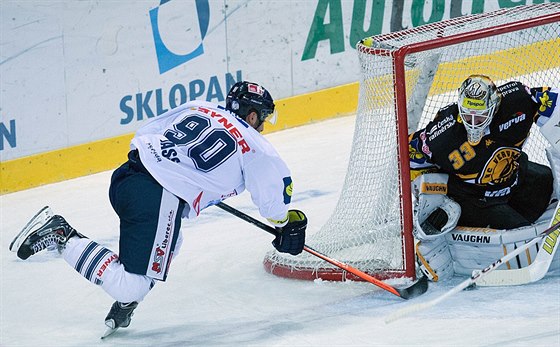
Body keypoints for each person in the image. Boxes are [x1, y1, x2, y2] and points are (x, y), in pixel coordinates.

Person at [9, 81, 307, 333]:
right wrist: (286, 225)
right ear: (253, 116)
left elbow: (147, 132)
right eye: (264, 118)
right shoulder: (256, 145)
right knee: (131, 283)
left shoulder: (198, 106)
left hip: (126, 177)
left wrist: (185, 177)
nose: (264, 125)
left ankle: (127, 303)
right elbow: (272, 203)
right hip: (157, 197)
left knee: (171, 242)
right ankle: (64, 235)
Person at [408, 74, 559, 281]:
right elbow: (411, 155)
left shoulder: (517, 101)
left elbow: (548, 100)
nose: (473, 124)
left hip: (515, 176)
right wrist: (430, 199)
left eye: (479, 117)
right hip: (478, 198)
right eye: (467, 116)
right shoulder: (444, 135)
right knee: (523, 234)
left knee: (550, 184)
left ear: (494, 106)